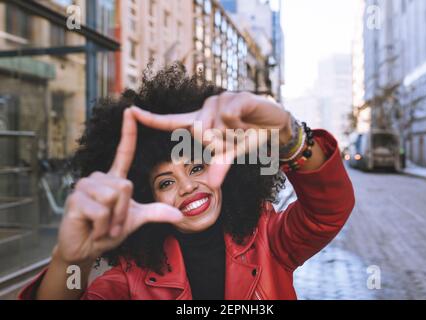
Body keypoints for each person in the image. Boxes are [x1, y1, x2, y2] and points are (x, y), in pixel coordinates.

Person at [19, 63, 355, 300]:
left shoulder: (270, 239)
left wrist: (288, 134)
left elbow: (328, 211)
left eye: (196, 169)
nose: (188, 187)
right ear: (147, 198)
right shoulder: (130, 280)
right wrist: (71, 258)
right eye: (165, 183)